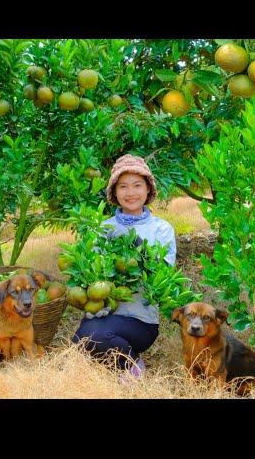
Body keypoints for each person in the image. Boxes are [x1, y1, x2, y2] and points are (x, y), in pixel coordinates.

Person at [72, 154, 177, 378]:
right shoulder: (103, 228)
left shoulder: (161, 229)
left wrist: (138, 247)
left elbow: (163, 274)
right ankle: (117, 360)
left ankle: (132, 366)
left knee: (94, 338)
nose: (130, 193)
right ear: (114, 192)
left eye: (137, 185)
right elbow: (91, 274)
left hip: (141, 319)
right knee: (79, 341)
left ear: (148, 189)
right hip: (106, 313)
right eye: (123, 186)